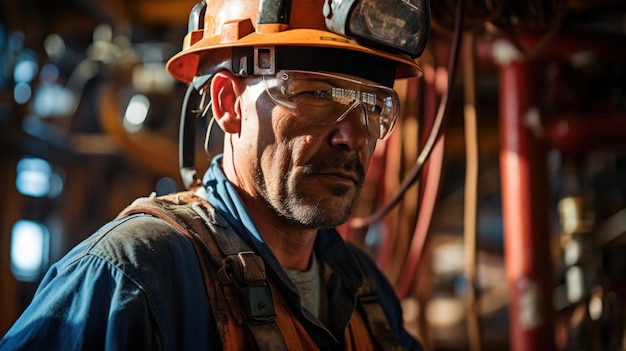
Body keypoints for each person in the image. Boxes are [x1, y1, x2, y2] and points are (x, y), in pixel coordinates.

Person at [1, 0, 430, 349]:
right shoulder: (133, 278)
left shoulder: (365, 293)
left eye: (374, 106)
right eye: (318, 94)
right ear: (228, 104)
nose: (353, 136)